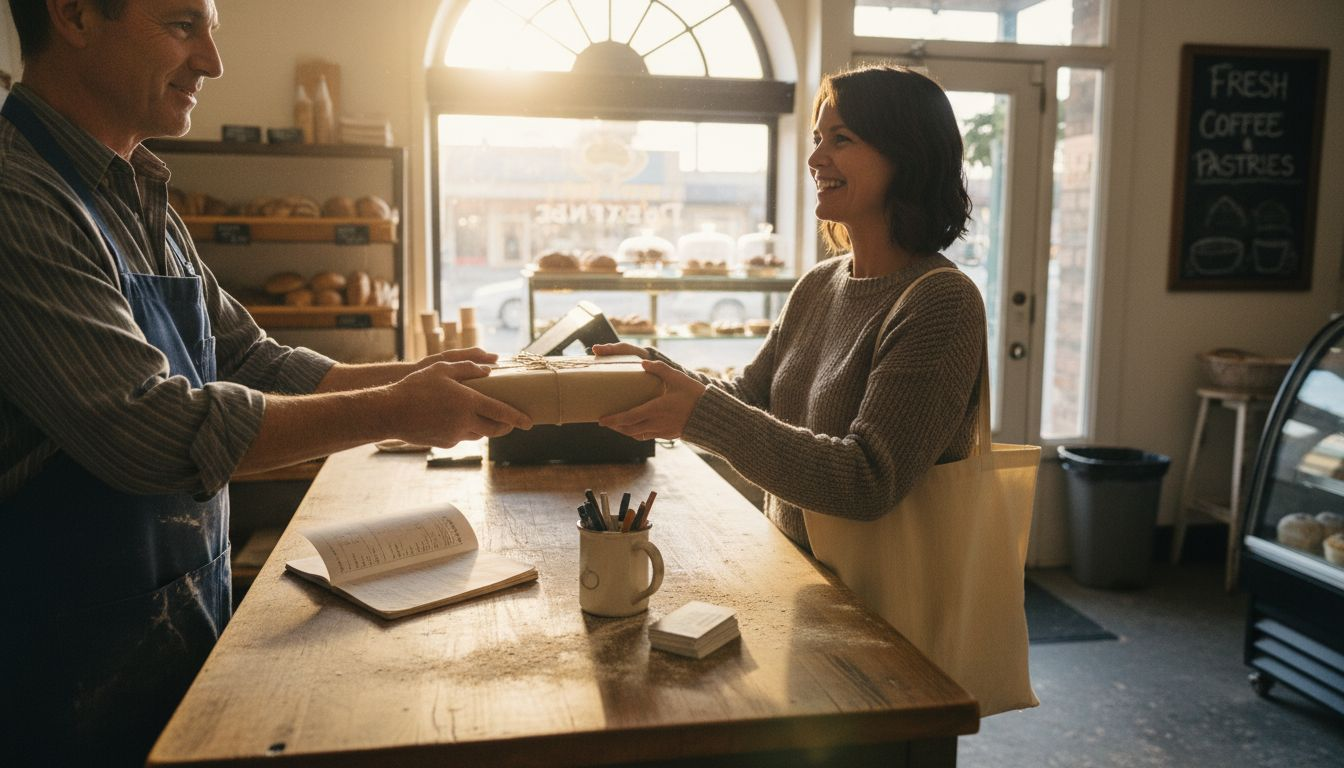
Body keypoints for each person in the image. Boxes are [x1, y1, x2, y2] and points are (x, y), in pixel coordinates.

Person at [0, 1, 530, 764]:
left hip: (164, 632)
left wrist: (425, 375)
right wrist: (398, 410)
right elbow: (150, 436)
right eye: (183, 26)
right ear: (77, 14)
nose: (212, 63)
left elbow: (254, 360)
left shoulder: (135, 192)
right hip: (57, 671)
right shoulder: (20, 195)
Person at [595, 64, 985, 550]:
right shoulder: (819, 284)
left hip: (880, 610)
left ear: (906, 155)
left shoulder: (940, 301)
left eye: (840, 139)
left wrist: (699, 414)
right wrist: (656, 374)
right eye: (818, 138)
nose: (815, 157)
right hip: (798, 575)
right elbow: (750, 398)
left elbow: (868, 480)